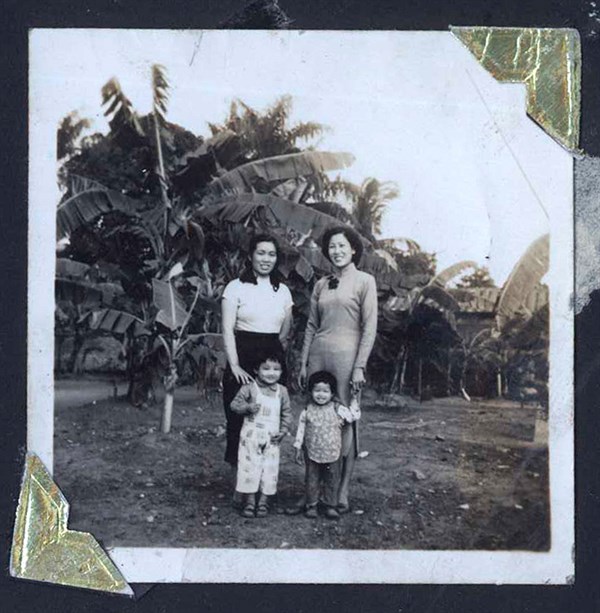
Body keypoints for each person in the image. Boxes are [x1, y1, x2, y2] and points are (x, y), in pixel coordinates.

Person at [297, 226, 377, 513]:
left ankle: (341, 491)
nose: (337, 251)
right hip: (318, 355)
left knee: (345, 420)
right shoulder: (322, 283)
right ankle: (312, 492)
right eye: (332, 246)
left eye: (342, 246)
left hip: (347, 358)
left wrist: (359, 366)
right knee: (315, 418)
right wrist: (304, 362)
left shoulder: (365, 281)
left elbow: (369, 328)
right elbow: (311, 325)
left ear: (353, 249)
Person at [221, 234, 293, 504]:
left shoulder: (282, 291)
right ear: (251, 255)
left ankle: (263, 486)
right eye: (261, 253)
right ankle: (240, 487)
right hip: (241, 356)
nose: (266, 259)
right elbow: (227, 328)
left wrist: (274, 359)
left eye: (271, 254)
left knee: (268, 421)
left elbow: (285, 329)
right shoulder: (235, 287)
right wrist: (235, 365)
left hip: (271, 359)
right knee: (238, 420)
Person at [230, 351, 293, 518]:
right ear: (256, 370)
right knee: (249, 468)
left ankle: (263, 502)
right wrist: (247, 408)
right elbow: (234, 405)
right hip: (250, 437)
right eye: (266, 368)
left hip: (272, 439)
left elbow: (287, 414)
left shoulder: (282, 391)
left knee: (269, 469)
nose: (271, 373)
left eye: (276, 369)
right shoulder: (249, 388)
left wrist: (283, 431)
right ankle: (250, 502)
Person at [293, 371, 360, 519]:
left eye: (325, 391)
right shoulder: (307, 410)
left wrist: (354, 399)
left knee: (332, 479)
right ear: (311, 392)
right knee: (312, 479)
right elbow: (301, 430)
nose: (321, 395)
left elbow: (353, 416)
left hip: (333, 452)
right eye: (317, 390)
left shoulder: (337, 408)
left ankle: (330, 506)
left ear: (332, 393)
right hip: (312, 451)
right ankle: (311, 506)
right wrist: (297, 448)